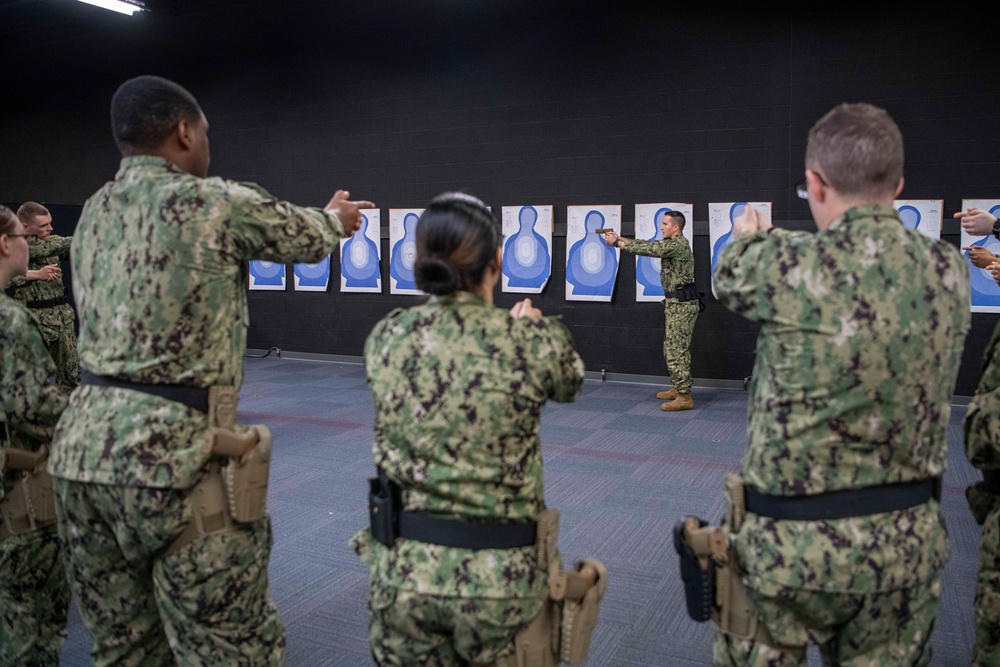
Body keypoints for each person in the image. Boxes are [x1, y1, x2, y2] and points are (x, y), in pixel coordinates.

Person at [47, 75, 373, 666]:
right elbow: (305, 238)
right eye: (205, 134)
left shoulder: (93, 211)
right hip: (171, 457)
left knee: (124, 648)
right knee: (230, 649)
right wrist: (337, 218)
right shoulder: (211, 201)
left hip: (81, 455)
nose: (208, 147)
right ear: (183, 131)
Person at [712, 103, 970, 665]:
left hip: (787, 550)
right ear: (898, 184)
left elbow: (728, 274)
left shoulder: (785, 261)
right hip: (903, 547)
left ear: (814, 183)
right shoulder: (949, 269)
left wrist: (746, 234)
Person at [351, 192, 586, 666]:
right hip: (500, 585)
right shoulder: (528, 341)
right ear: (497, 261)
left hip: (403, 574)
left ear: (421, 262)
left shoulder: (386, 337)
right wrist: (529, 331)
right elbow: (568, 383)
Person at [0, 205, 71, 665]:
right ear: (9, 242)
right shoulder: (9, 321)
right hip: (16, 494)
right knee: (30, 619)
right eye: (27, 235)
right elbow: (40, 412)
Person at [603, 210, 699, 411]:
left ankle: (684, 397)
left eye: (665, 224)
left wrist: (617, 243)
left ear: (675, 227)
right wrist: (620, 238)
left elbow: (651, 248)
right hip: (676, 304)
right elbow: (651, 245)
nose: (662, 227)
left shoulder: (677, 244)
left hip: (682, 305)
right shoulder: (674, 243)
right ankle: (678, 386)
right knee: (671, 347)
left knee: (676, 350)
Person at [8, 202, 79, 393]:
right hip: (35, 323)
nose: (50, 228)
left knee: (71, 379)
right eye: (43, 225)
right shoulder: (9, 247)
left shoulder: (52, 243)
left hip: (62, 321)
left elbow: (72, 244)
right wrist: (35, 274)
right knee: (31, 383)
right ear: (25, 227)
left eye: (50, 223)